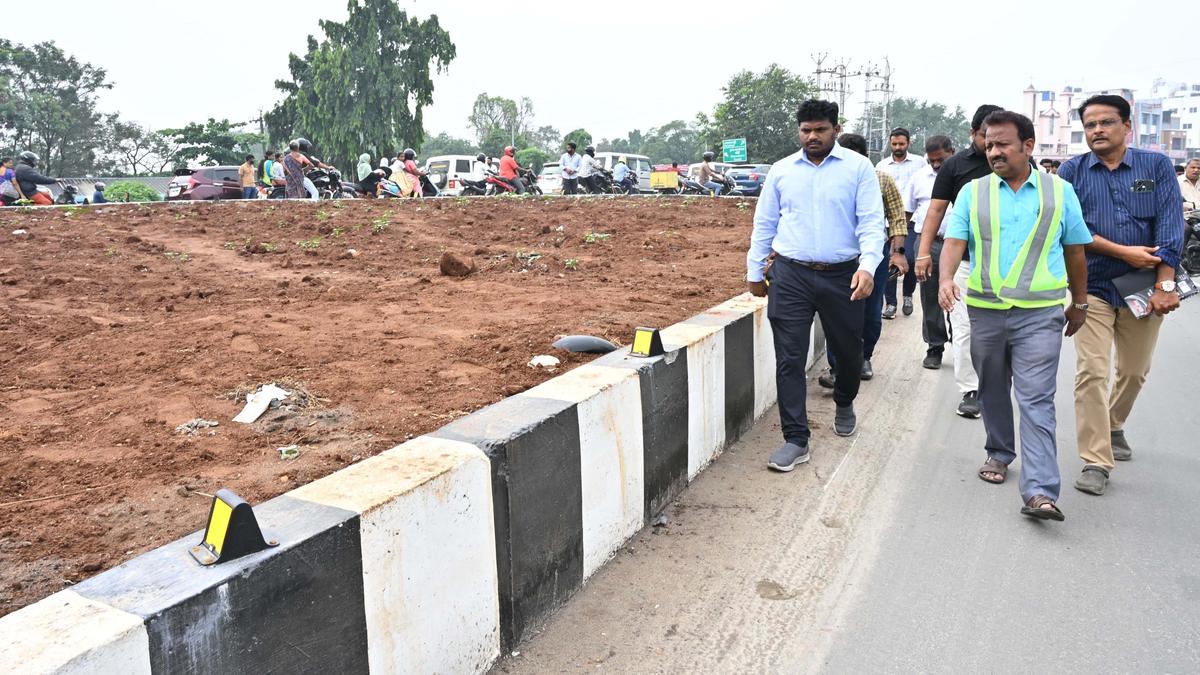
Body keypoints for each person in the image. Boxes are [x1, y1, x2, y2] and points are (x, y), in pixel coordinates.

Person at [938, 110, 1093, 522]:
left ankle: (1040, 491)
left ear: (1028, 145)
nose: (994, 152)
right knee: (991, 389)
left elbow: (1076, 251)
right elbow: (954, 241)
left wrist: (1079, 303)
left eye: (1002, 144)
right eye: (989, 144)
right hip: (986, 311)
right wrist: (945, 278)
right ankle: (1000, 451)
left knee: (1036, 398)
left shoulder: (1060, 192)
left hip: (1040, 314)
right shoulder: (973, 192)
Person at [1056, 94, 1187, 496]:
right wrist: (1122, 251)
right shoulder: (1072, 171)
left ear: (1127, 127)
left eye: (1106, 122)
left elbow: (1171, 226)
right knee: (1092, 372)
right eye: (1090, 124)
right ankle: (1096, 460)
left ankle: (1113, 424)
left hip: (1143, 287)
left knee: (1134, 371)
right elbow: (1071, 230)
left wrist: (1165, 284)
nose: (1097, 130)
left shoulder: (1156, 166)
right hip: (1091, 286)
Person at [746, 99, 886, 472]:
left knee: (849, 350)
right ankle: (796, 439)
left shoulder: (858, 168)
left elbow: (872, 223)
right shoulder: (782, 171)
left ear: (835, 130)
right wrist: (755, 271)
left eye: (820, 130)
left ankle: (844, 399)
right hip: (791, 274)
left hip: (843, 275)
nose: (812, 136)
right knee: (789, 357)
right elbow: (765, 222)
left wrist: (868, 267)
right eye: (806, 130)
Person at [914, 104, 1004, 419]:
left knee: (999, 331)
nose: (993, 147)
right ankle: (971, 389)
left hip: (1008, 266)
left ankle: (997, 383)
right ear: (973, 133)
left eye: (1000, 139)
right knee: (964, 327)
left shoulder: (1017, 163)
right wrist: (923, 252)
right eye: (986, 137)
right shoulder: (955, 166)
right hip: (964, 262)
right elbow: (936, 211)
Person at [817, 133, 908, 388]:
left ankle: (864, 358)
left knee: (870, 309)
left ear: (864, 157)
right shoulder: (827, 179)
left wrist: (898, 252)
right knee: (836, 312)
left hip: (874, 255)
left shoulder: (882, 180)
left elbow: (897, 217)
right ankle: (838, 367)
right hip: (838, 257)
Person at [905, 136, 956, 372]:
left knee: (960, 293)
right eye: (931, 161)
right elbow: (908, 212)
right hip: (929, 245)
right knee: (930, 295)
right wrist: (904, 246)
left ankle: (959, 337)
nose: (936, 165)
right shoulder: (919, 178)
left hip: (960, 246)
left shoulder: (963, 175)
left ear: (952, 152)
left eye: (940, 160)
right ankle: (935, 346)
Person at [877, 127, 927, 320]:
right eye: (894, 144)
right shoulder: (882, 165)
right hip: (889, 221)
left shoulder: (919, 163)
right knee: (889, 260)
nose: (898, 147)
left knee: (911, 258)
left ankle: (907, 295)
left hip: (912, 220)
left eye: (901, 144)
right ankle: (890, 303)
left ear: (908, 143)